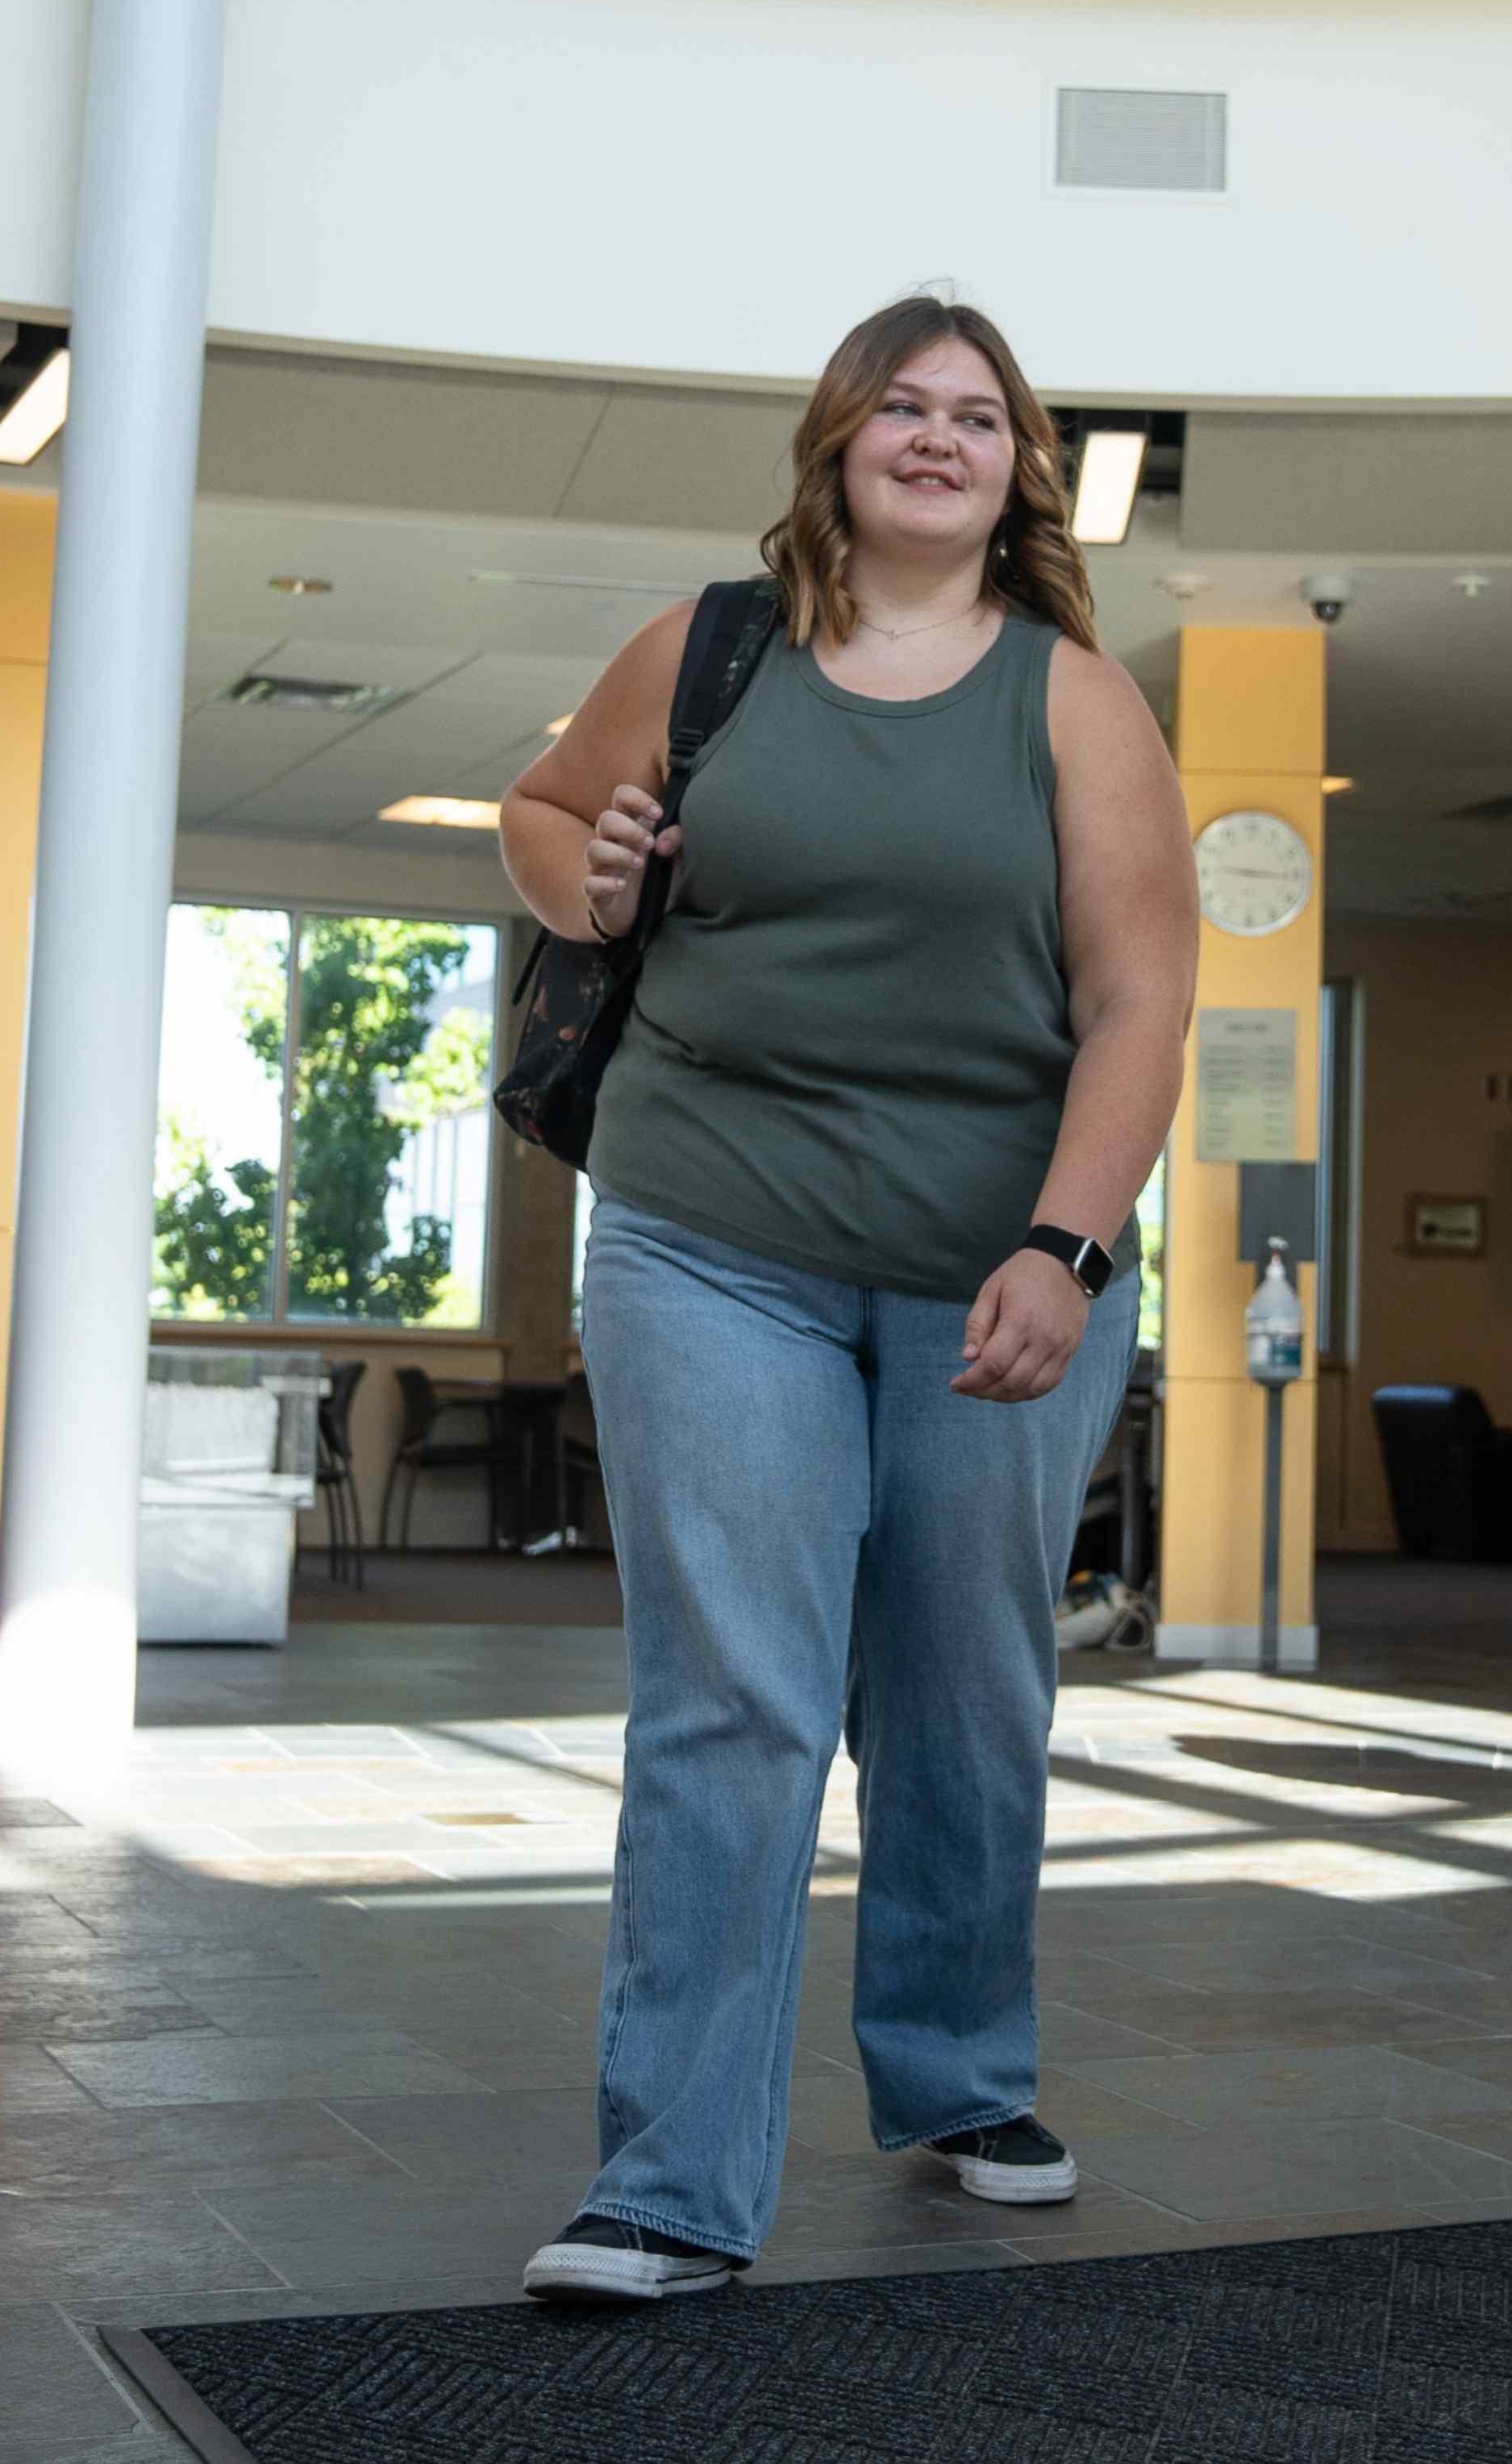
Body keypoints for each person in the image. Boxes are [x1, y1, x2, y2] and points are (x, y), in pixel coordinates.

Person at [493, 293, 1194, 2306]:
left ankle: (959, 2067)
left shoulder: (1073, 698)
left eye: (980, 413)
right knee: (732, 1690)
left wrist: (1063, 1247)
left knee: (966, 1688)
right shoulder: (709, 648)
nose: (940, 432)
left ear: (1019, 471)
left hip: (998, 1254)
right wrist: (594, 869)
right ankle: (669, 2182)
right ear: (837, 438)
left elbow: (1144, 996)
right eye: (904, 400)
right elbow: (544, 821)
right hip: (714, 1230)